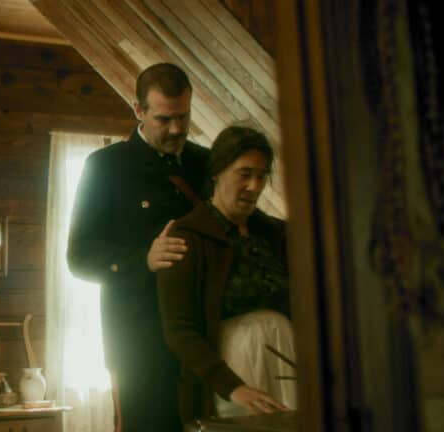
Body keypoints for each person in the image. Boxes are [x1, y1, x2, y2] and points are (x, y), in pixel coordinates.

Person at [67, 63, 209, 431]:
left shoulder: (206, 164)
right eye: (164, 119)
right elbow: (79, 257)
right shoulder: (105, 167)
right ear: (139, 111)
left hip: (201, 339)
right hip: (139, 343)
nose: (177, 129)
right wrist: (142, 260)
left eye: (184, 117)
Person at [157, 126, 294, 427]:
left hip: (288, 363)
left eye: (262, 176)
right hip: (228, 373)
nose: (254, 185)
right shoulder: (187, 236)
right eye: (244, 174)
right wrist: (233, 387)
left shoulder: (279, 234)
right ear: (218, 172)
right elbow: (178, 330)